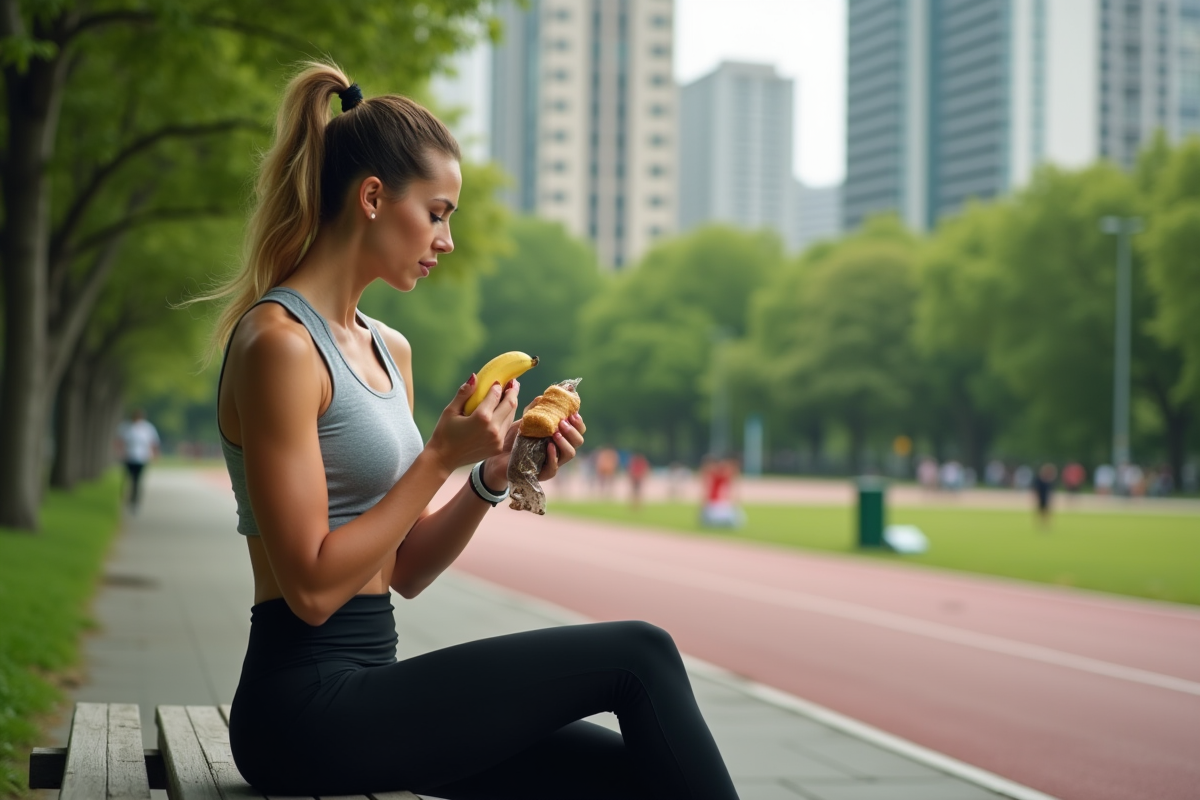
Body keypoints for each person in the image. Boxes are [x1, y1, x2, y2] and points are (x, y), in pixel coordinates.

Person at [206, 63, 737, 799]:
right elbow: (313, 590)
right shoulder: (280, 346)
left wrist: (490, 476)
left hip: (373, 692)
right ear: (371, 198)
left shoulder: (390, 349)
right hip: (302, 713)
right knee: (640, 655)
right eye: (437, 212)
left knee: (643, 778)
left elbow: (408, 569)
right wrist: (436, 459)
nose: (446, 239)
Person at [115, 409, 160, 510]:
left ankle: (135, 501)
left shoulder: (148, 428)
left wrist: (155, 455)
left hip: (142, 458)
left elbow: (153, 443)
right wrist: (120, 453)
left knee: (138, 480)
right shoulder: (126, 427)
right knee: (128, 479)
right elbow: (120, 441)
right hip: (129, 457)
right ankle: (125, 499)